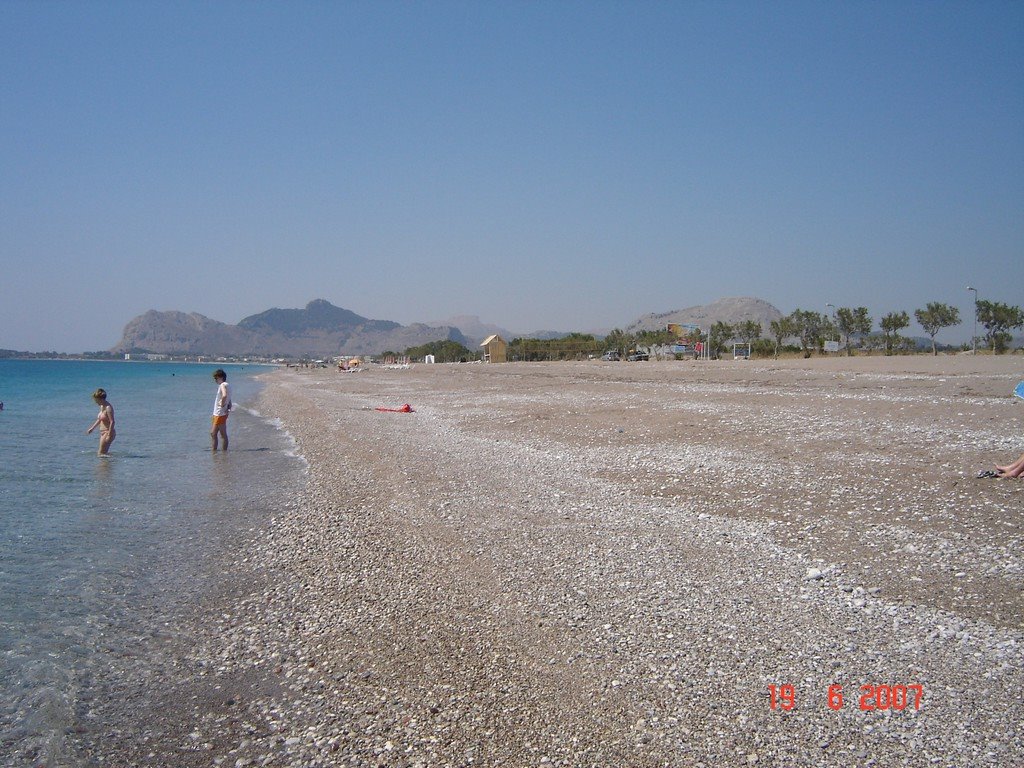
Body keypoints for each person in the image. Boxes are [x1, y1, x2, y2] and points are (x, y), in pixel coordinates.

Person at [86, 388, 115, 455]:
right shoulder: (102, 406)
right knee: (103, 453)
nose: (96, 402)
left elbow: (112, 422)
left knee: (101, 453)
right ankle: (108, 464)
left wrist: (109, 435)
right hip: (102, 432)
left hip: (108, 432)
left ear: (101, 399)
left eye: (96, 400)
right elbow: (100, 419)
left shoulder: (108, 408)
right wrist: (92, 428)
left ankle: (105, 465)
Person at [210, 369, 232, 451]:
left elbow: (225, 395)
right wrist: (228, 406)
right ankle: (217, 453)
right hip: (221, 413)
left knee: (220, 434)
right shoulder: (228, 385)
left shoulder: (222, 385)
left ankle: (220, 453)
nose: (215, 380)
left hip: (219, 413)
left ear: (221, 377)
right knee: (213, 433)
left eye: (216, 378)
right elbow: (229, 399)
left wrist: (222, 405)